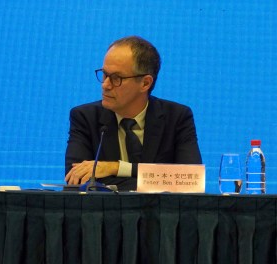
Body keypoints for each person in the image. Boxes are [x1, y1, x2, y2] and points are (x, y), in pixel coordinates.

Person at [65, 35, 202, 191]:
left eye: (117, 78)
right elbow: (76, 181)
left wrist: (116, 168)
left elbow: (191, 180)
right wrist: (158, 181)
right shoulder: (85, 117)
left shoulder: (177, 117)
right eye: (104, 74)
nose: (105, 85)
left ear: (145, 83)